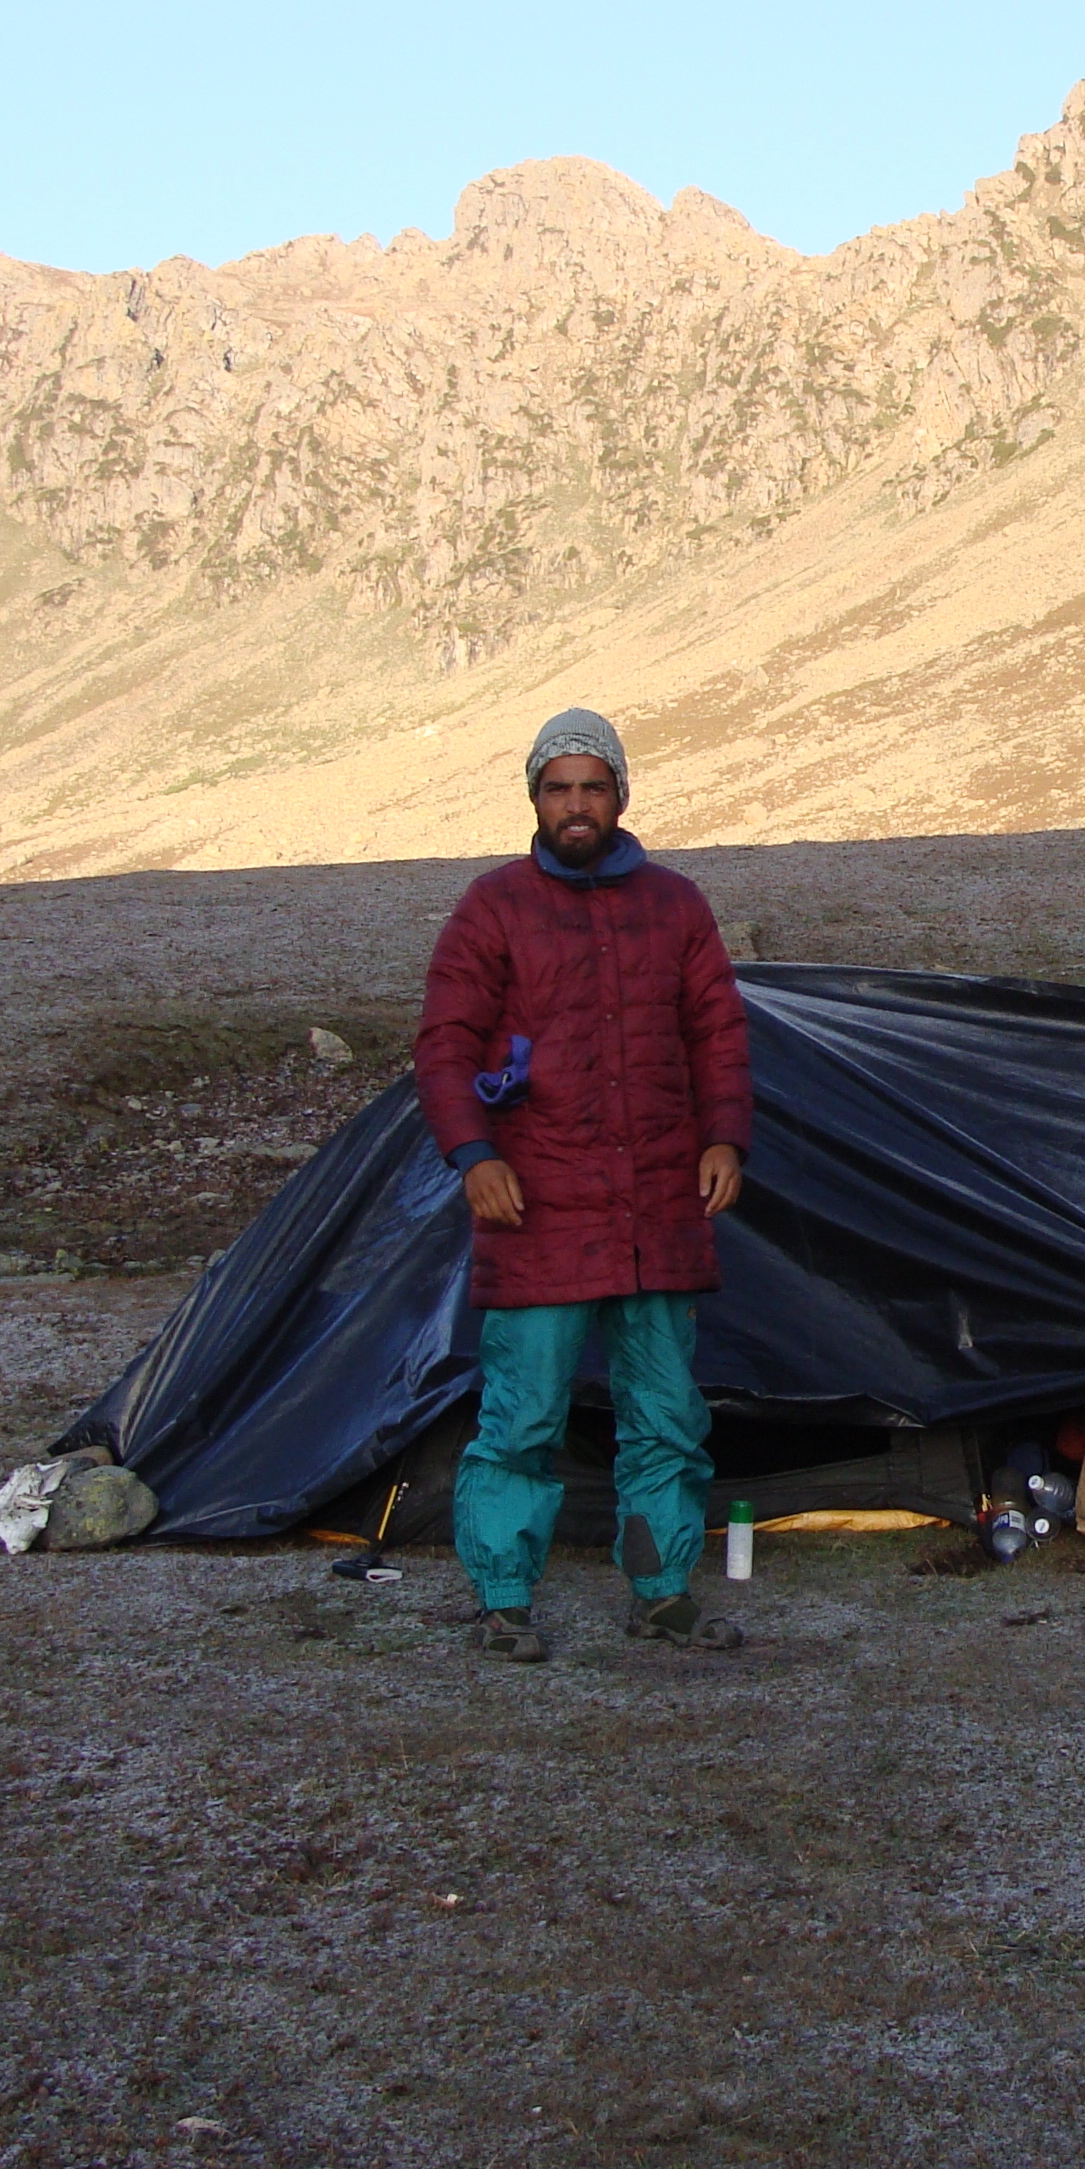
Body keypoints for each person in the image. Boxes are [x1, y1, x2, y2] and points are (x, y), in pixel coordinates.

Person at [413, 708, 754, 1661]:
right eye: (558, 787)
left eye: (592, 787)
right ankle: (504, 1600)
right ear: (534, 798)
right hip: (538, 1205)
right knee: (521, 1418)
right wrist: (474, 1157)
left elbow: (718, 1035)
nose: (576, 804)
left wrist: (727, 1137)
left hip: (658, 1208)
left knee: (667, 1419)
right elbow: (442, 1046)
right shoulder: (493, 908)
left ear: (620, 798)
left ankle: (661, 1591)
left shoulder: (677, 906)